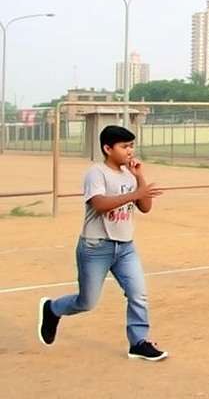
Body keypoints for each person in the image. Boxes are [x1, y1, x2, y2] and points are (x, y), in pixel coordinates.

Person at [38, 125, 168, 361]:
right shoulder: (96, 173)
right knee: (86, 302)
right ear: (108, 148)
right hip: (96, 247)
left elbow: (145, 207)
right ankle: (53, 309)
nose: (130, 151)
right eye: (124, 146)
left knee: (138, 294)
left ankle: (139, 342)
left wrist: (139, 178)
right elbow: (99, 204)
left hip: (126, 247)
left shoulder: (130, 175)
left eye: (131, 146)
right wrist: (135, 194)